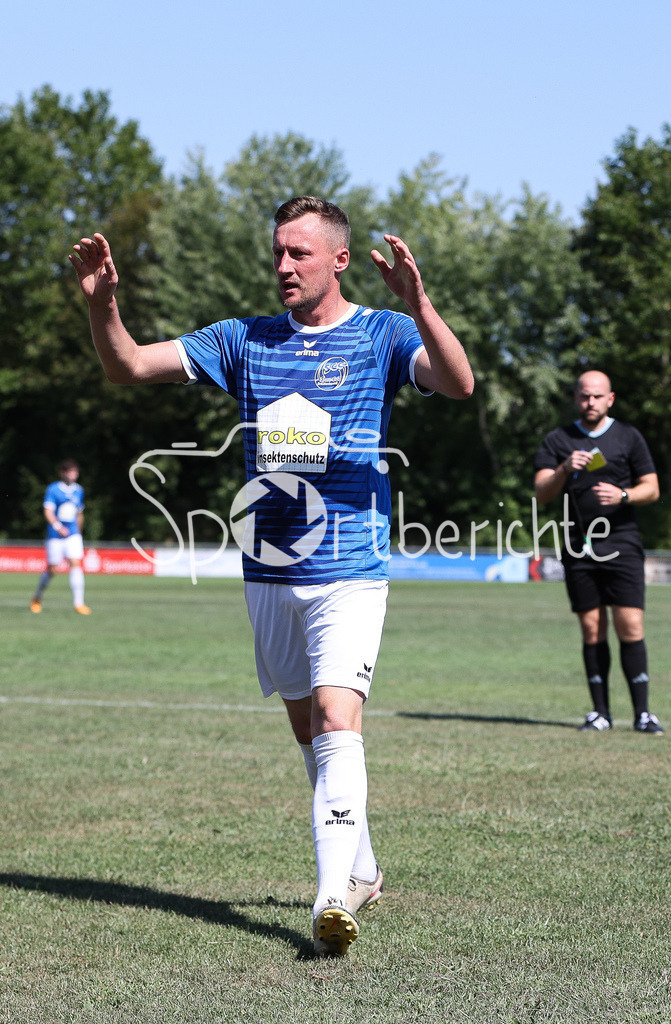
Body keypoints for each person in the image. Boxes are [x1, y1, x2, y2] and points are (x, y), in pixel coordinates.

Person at [69, 196, 474, 955]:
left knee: (335, 719)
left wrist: (420, 306)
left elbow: (458, 383)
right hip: (269, 572)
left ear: (339, 260)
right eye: (278, 253)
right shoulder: (243, 340)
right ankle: (364, 869)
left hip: (350, 568)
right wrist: (103, 307)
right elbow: (126, 367)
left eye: (300, 254)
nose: (283, 266)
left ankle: (329, 902)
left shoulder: (384, 334)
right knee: (307, 734)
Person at [534, 370, 663, 735]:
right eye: (583, 396)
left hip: (622, 543)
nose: (590, 402)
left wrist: (623, 495)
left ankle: (643, 714)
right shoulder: (559, 440)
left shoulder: (629, 437)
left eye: (597, 396)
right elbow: (542, 492)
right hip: (579, 546)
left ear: (611, 399)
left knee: (631, 625)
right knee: (592, 628)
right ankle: (600, 713)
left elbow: (652, 488)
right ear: (576, 398)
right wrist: (563, 468)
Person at [30, 458, 91, 615]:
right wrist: (58, 527)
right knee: (53, 569)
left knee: (76, 563)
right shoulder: (53, 489)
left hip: (73, 535)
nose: (74, 475)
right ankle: (37, 597)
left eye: (76, 473)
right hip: (55, 535)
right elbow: (48, 511)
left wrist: (79, 531)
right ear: (63, 473)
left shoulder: (79, 490)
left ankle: (79, 603)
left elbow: (79, 513)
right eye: (71, 472)